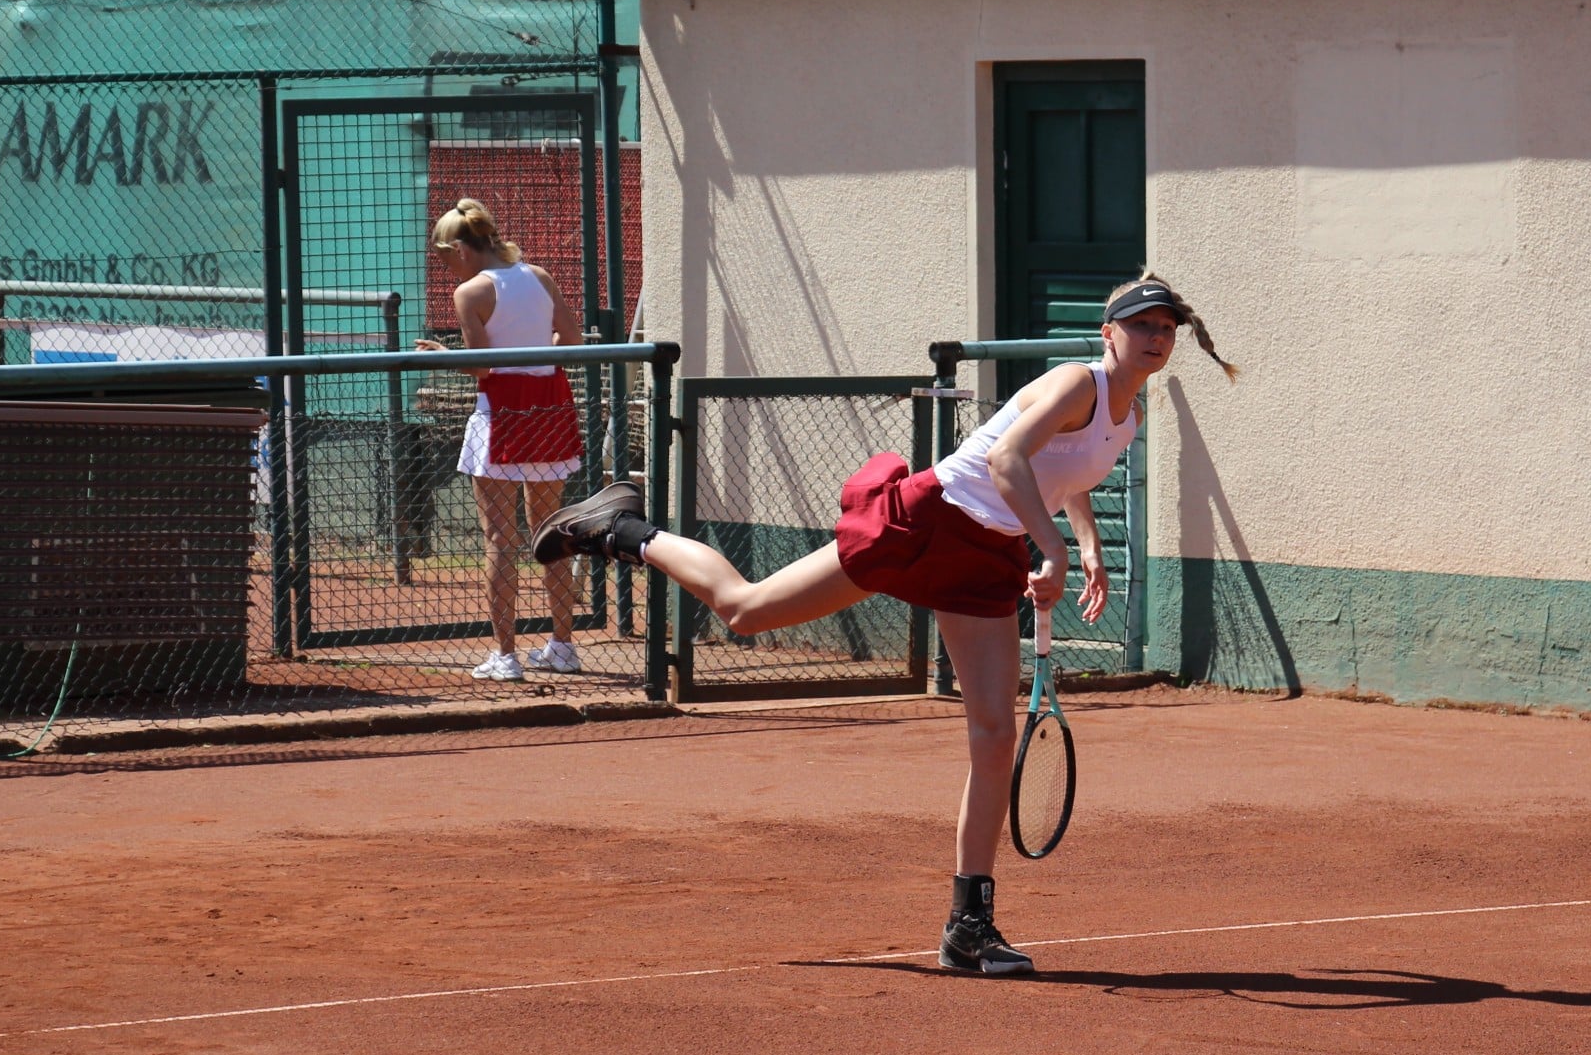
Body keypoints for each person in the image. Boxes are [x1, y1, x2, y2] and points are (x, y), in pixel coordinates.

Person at [531, 275, 1235, 975]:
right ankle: (624, 526)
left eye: (1166, 328)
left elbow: (1066, 471)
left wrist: (1082, 542)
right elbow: (1007, 457)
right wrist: (1049, 546)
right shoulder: (1076, 383)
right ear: (1108, 331)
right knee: (745, 609)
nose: (1155, 337)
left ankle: (968, 925)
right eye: (1142, 325)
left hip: (987, 552)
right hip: (930, 520)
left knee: (995, 734)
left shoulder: (1129, 413)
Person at [418, 198, 585, 682]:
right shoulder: (538, 275)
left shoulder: (470, 292)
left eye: (445, 258)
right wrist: (534, 354)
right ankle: (562, 647)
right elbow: (570, 343)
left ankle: (506, 657)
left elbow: (481, 367)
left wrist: (441, 355)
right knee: (550, 533)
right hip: (550, 411)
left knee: (499, 538)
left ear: (462, 250)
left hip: (503, 417)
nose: (446, 268)